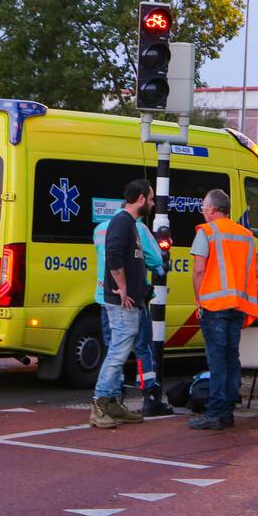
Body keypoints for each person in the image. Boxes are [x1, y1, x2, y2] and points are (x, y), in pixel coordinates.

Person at [93, 206, 175, 417]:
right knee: (142, 348)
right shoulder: (137, 228)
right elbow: (156, 259)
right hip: (129, 298)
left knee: (114, 350)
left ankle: (114, 396)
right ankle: (149, 397)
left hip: (104, 297)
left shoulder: (100, 229)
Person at [188, 188, 258, 430]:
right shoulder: (246, 235)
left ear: (212, 209)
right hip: (238, 305)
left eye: (204, 208)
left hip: (214, 305)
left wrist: (198, 299)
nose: (203, 212)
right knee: (231, 359)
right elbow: (253, 271)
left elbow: (199, 270)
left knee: (217, 362)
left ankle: (215, 413)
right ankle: (227, 412)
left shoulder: (207, 232)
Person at [90, 179, 154, 429]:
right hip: (122, 301)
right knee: (117, 352)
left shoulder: (128, 224)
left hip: (127, 300)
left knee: (120, 351)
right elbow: (114, 254)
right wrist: (123, 287)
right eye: (149, 198)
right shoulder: (122, 222)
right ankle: (100, 403)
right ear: (140, 198)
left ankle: (112, 402)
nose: (151, 203)